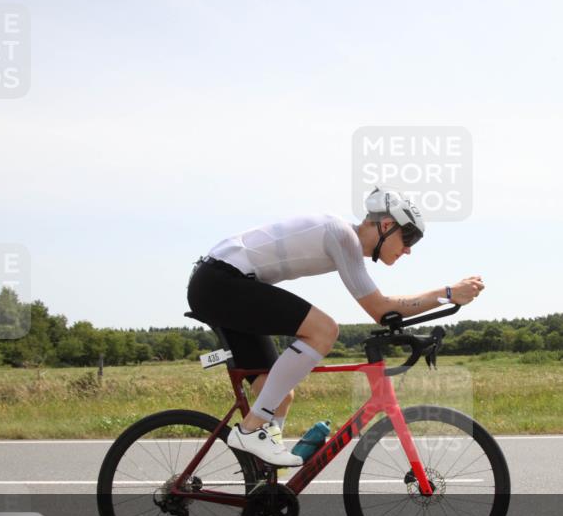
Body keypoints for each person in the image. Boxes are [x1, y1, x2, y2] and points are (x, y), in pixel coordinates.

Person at [186, 186, 485, 466]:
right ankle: (251, 431)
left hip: (222, 284)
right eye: (408, 238)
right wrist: (446, 294)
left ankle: (266, 487)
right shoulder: (341, 234)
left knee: (278, 394)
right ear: (385, 226)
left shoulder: (345, 241)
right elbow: (380, 309)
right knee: (324, 330)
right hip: (220, 282)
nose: (408, 249)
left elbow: (384, 310)